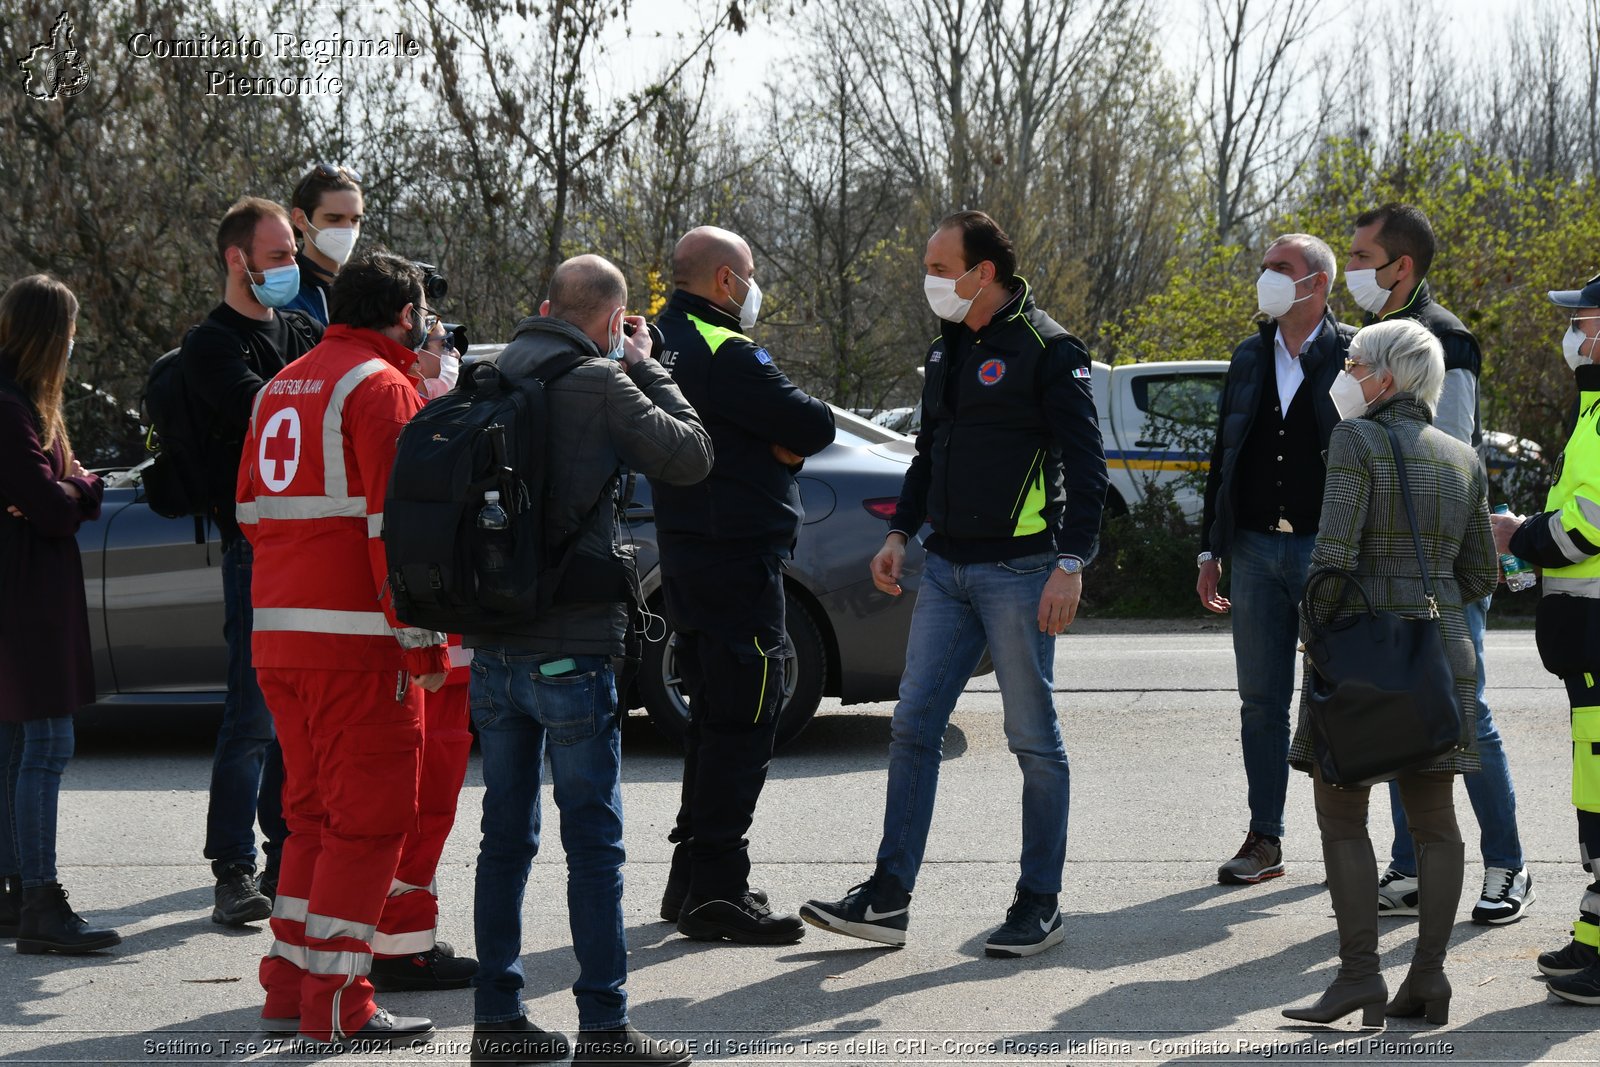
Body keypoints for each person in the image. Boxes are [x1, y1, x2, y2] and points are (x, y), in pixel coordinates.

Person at [801, 210, 1107, 958]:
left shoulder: (1048, 347)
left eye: (941, 266)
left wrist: (1071, 563)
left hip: (1023, 571)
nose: (930, 280)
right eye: (929, 266)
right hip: (944, 569)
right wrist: (900, 533)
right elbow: (927, 454)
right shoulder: (947, 351)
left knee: (1034, 741)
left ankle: (1040, 903)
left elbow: (1087, 465)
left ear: (984, 273)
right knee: (912, 727)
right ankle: (886, 898)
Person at [464, 254, 710, 1066]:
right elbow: (691, 455)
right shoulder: (604, 383)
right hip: (571, 646)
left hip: (495, 644)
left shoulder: (488, 377)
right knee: (594, 842)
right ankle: (604, 1027)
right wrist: (649, 367)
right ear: (610, 322)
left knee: (504, 837)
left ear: (544, 309)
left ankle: (497, 1021)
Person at [237, 252, 450, 1047]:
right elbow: (395, 534)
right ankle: (338, 1002)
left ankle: (291, 985)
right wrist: (422, 640)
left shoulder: (278, 386)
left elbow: (250, 512)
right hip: (358, 646)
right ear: (406, 316)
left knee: (313, 816)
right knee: (369, 823)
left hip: (280, 639)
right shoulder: (381, 387)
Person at [1280, 319, 1496, 1027]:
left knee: (1342, 815)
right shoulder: (1463, 454)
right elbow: (1479, 572)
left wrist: (1318, 645)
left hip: (1366, 654)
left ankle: (1358, 977)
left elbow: (1332, 560)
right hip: (1440, 654)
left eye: (1352, 361)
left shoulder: (1357, 438)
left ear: (1386, 375)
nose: (1344, 372)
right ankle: (1428, 979)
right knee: (1435, 821)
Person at [1346, 203, 1532, 925]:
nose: (1352, 267)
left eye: (1362, 257)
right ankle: (1414, 866)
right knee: (1400, 711)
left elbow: (1445, 458)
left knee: (1464, 713)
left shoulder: (1446, 339)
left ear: (1403, 267)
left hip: (1444, 563)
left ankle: (1508, 864)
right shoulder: (1365, 337)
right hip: (1382, 556)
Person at [651, 226, 836, 945]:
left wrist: (766, 442)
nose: (755, 287)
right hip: (734, 558)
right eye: (751, 274)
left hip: (690, 554)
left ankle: (691, 875)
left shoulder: (661, 338)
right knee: (745, 717)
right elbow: (811, 423)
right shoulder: (723, 347)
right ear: (726, 280)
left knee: (711, 717)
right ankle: (720, 889)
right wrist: (773, 443)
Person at [182, 198, 323, 926]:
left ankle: (285, 854)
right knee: (252, 712)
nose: (290, 267)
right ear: (237, 260)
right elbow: (279, 413)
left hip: (307, 544)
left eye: (293, 254)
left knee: (295, 715)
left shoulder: (300, 327)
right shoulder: (212, 345)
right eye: (277, 256)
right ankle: (233, 868)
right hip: (254, 546)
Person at [1197, 233, 1353, 885]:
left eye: (1280, 268)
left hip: (1330, 551)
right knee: (1260, 700)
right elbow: (1223, 455)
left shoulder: (1354, 355)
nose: (1265, 276)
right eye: (1264, 266)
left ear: (1315, 284)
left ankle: (1348, 839)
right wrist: (1211, 549)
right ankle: (1266, 836)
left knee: (1340, 698)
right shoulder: (1248, 355)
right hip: (1256, 549)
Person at [0, 274, 120, 956]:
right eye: (70, 331)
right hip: (26, 602)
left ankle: (14, 886)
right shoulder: (11, 408)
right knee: (46, 746)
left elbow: (51, 495)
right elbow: (49, 508)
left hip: (25, 595)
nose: (74, 343)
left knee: (16, 745)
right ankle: (40, 899)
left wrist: (66, 486)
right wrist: (77, 484)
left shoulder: (23, 404)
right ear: (50, 336)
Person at [1494, 271, 1600, 1004]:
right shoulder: (1592, 408)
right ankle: (1594, 936)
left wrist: (1519, 535)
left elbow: (1588, 526)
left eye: (1583, 320)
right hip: (1585, 648)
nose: (1574, 333)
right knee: (1593, 800)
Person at [283, 164, 364, 325]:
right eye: (334, 218)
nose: (348, 229)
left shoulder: (366, 291)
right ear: (300, 220)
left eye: (355, 219)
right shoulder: (284, 295)